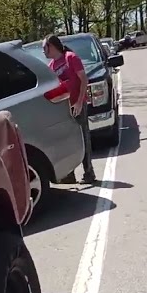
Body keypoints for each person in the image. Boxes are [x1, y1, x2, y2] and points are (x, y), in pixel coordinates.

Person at [43, 34, 97, 184]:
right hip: (64, 107)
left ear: (51, 46)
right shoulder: (51, 66)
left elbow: (84, 80)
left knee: (83, 138)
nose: (43, 51)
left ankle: (89, 173)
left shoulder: (71, 58)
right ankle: (69, 175)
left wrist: (79, 102)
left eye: (44, 47)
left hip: (77, 104)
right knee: (68, 140)